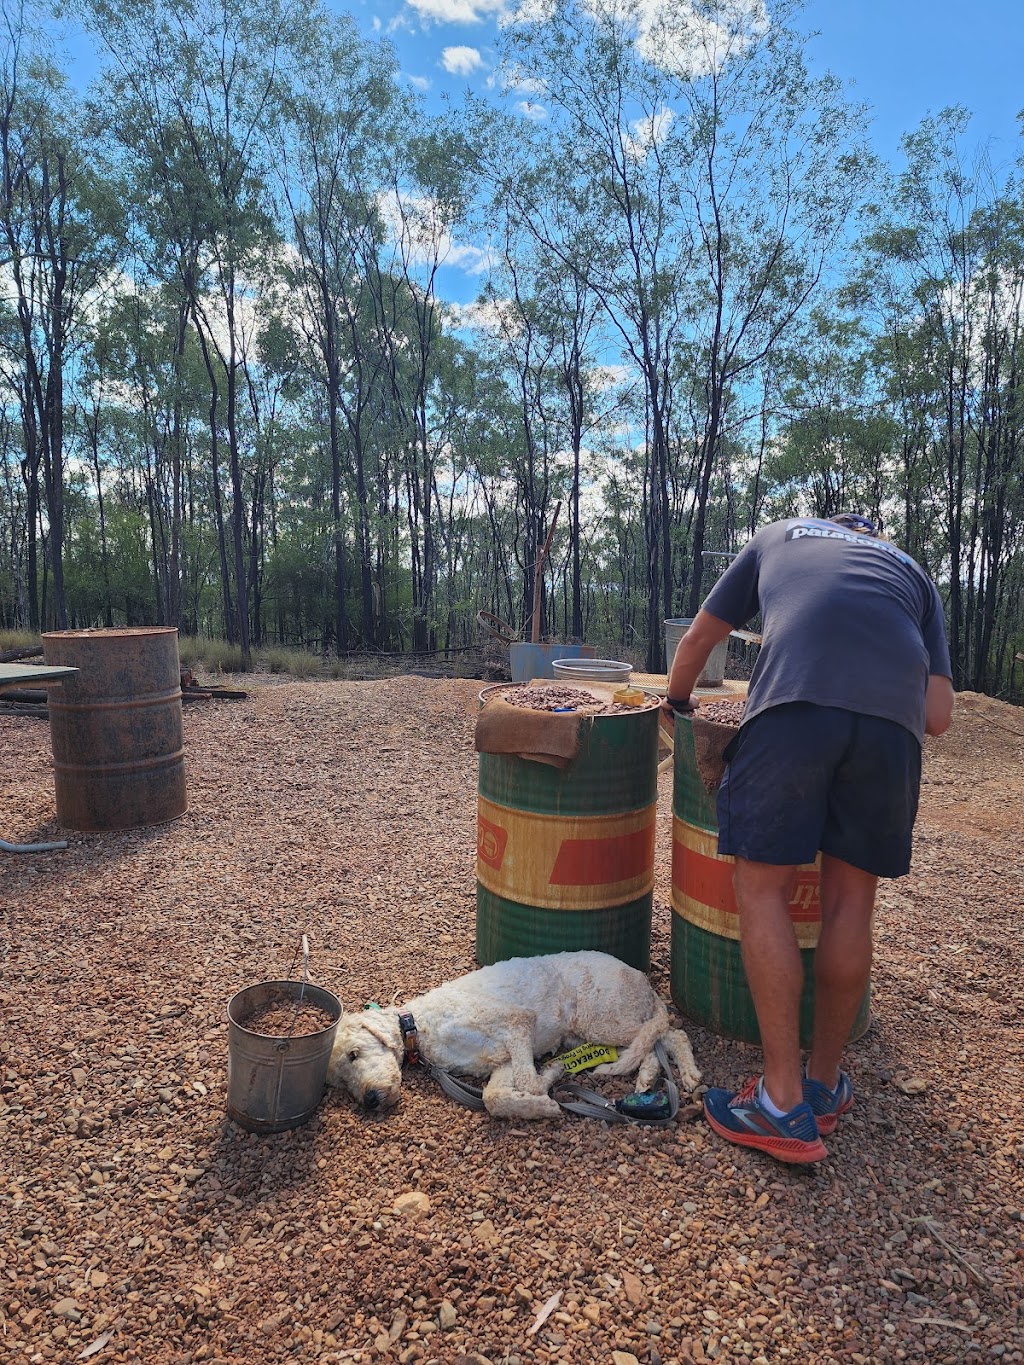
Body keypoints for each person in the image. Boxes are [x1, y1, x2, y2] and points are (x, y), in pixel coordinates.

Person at [662, 513, 954, 1164]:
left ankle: (778, 1102)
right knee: (852, 903)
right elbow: (937, 717)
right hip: (892, 734)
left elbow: (697, 643)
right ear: (874, 537)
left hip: (794, 705)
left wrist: (677, 704)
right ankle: (822, 1086)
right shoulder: (911, 572)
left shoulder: (780, 535)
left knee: (762, 887)